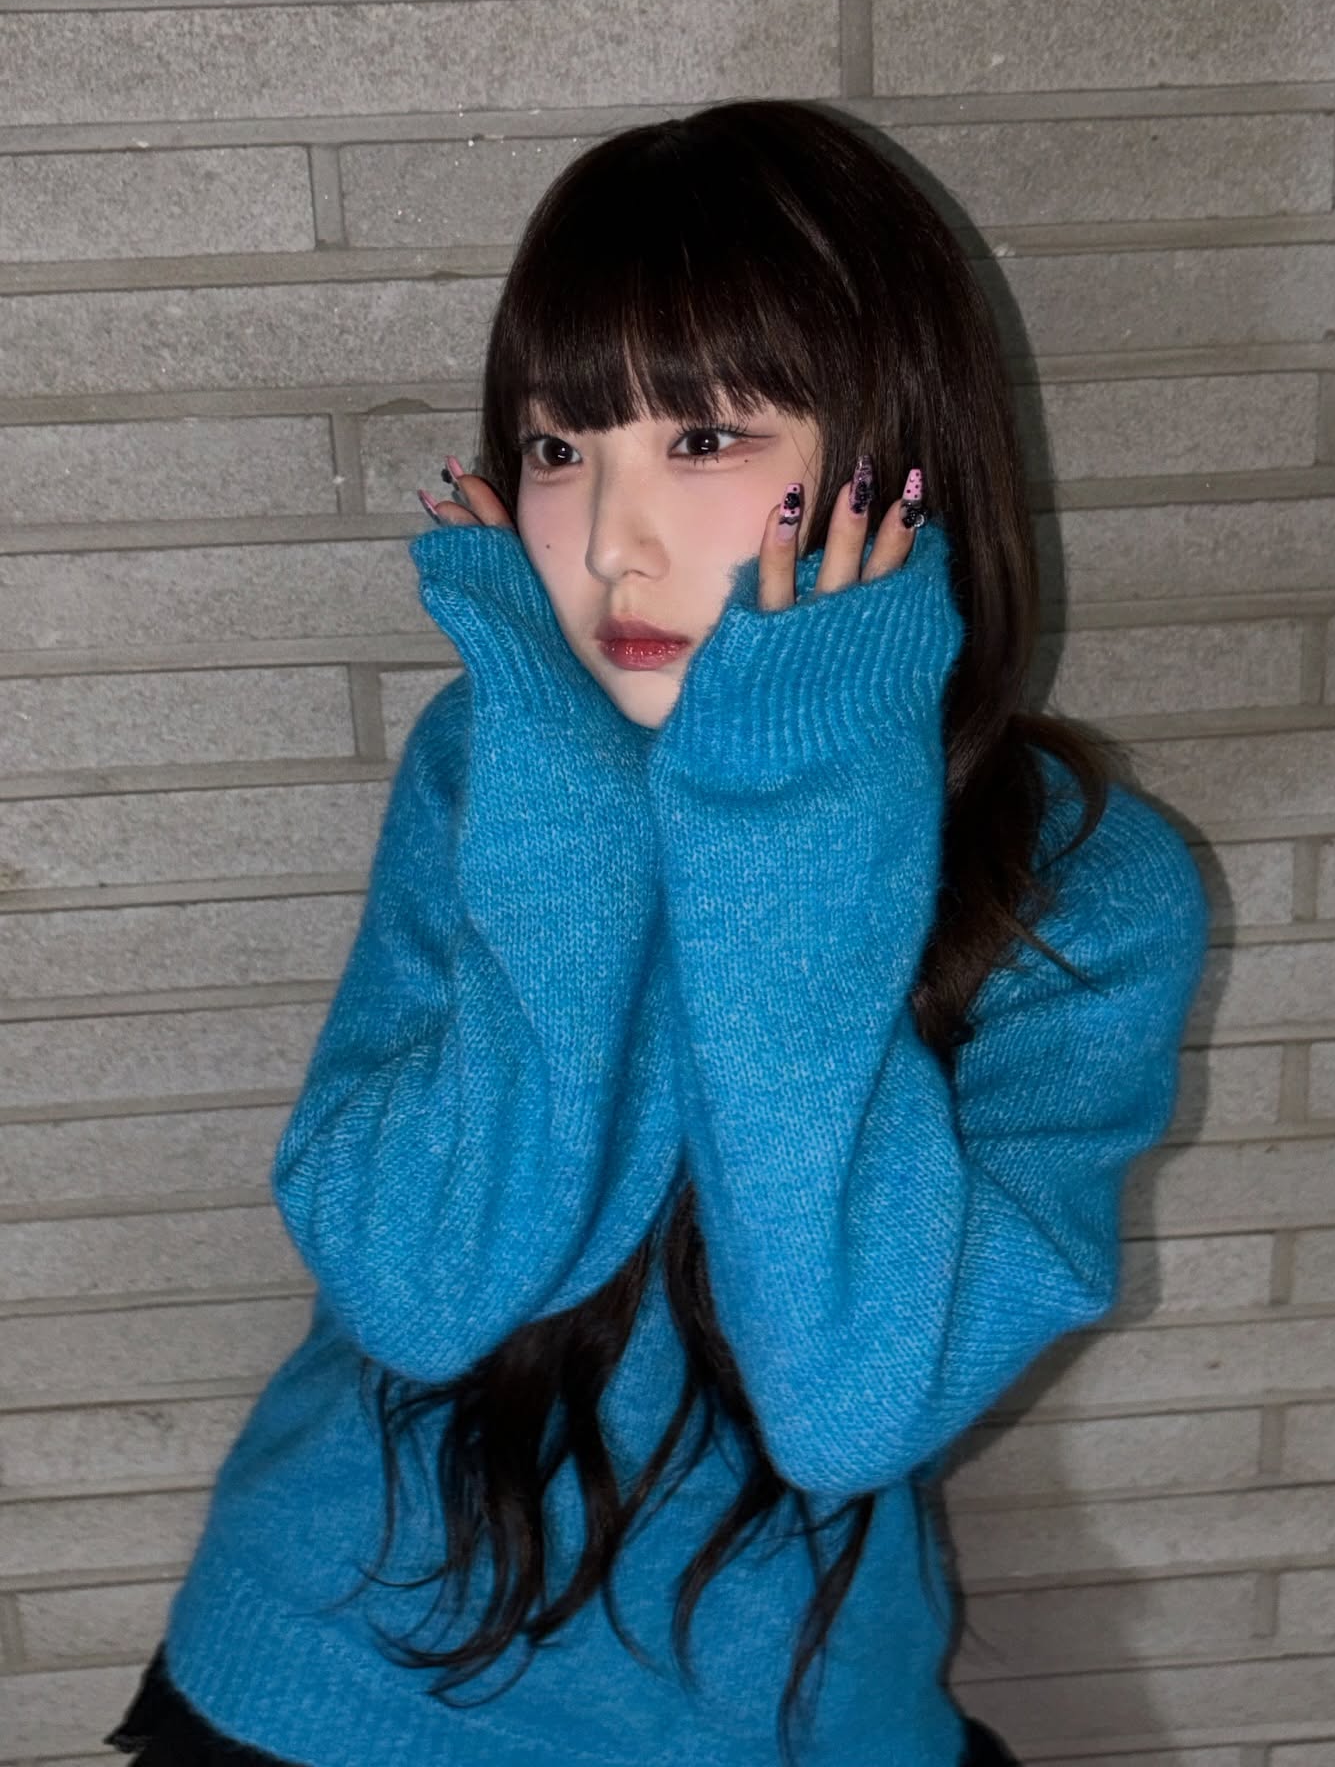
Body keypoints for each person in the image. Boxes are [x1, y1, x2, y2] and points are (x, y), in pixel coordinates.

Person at [104, 99, 1210, 1767]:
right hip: (343, 1673)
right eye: (560, 448)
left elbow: (849, 1404)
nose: (610, 540)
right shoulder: (494, 761)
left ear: (899, 454)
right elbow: (422, 1290)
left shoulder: (1086, 887)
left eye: (702, 439)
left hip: (776, 1709)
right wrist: (571, 797)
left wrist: (796, 807)